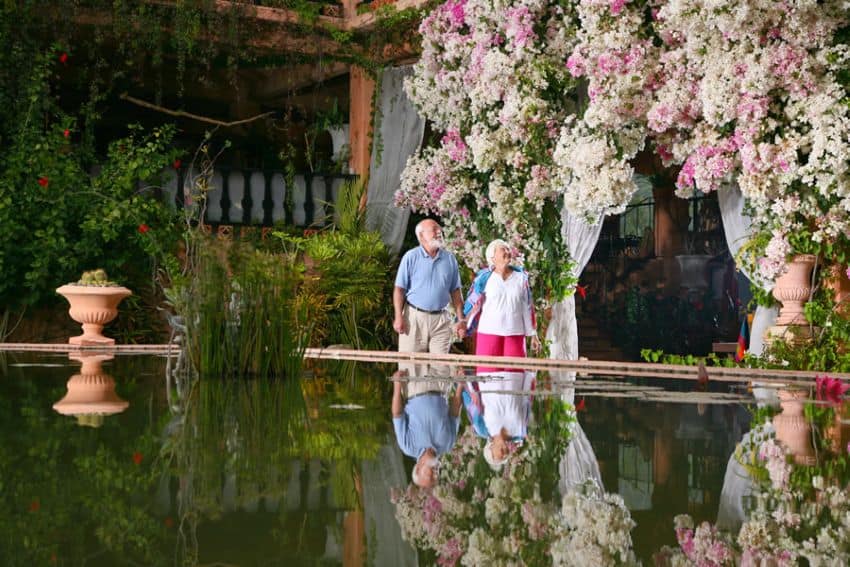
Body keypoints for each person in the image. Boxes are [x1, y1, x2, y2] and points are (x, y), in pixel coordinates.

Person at [463, 239, 540, 374]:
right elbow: (471, 302)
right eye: (503, 249)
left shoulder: (521, 278)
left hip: (515, 334)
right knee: (487, 378)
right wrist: (464, 322)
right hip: (488, 333)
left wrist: (533, 334)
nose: (508, 251)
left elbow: (528, 308)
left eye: (508, 249)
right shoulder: (483, 279)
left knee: (515, 378)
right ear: (492, 257)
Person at [393, 219, 466, 354]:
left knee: (440, 369)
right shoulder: (411, 257)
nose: (439, 232)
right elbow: (399, 289)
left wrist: (461, 319)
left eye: (439, 229)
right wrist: (398, 316)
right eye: (434, 229)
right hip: (414, 318)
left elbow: (456, 291)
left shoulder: (450, 259)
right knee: (411, 367)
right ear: (421, 236)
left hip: (442, 320)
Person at [391, 365, 464, 488]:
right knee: (441, 345)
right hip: (441, 384)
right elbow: (454, 413)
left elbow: (397, 414)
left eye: (430, 476)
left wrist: (397, 386)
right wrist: (460, 386)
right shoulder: (448, 444)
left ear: (418, 468)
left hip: (413, 383)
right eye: (437, 476)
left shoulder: (407, 447)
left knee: (411, 345)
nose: (436, 474)